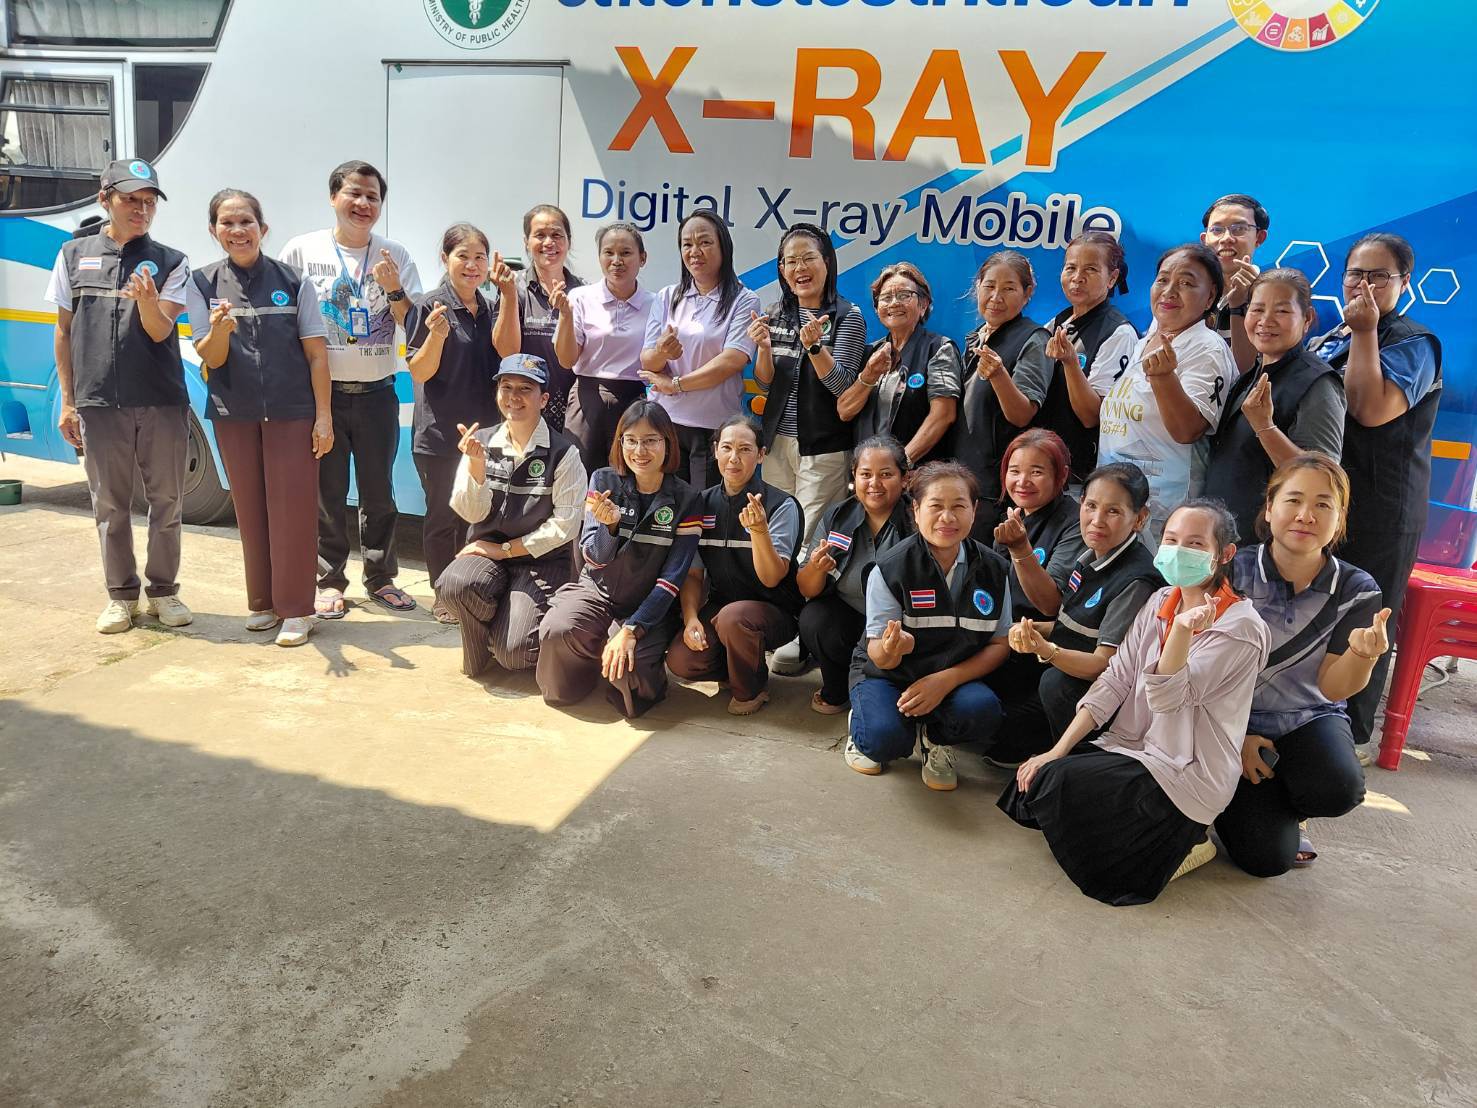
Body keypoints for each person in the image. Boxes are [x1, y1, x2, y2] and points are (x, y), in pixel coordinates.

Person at [999, 499, 1269, 906]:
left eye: (1195, 544)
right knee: (1033, 783)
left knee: (1064, 795)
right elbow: (1116, 678)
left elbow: (1168, 698)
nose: (1179, 551)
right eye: (1171, 540)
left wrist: (1182, 631)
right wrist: (1057, 749)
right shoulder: (1161, 599)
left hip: (1184, 768)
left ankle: (1189, 840)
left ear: (1225, 554)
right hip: (1135, 747)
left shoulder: (1241, 628)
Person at [1217, 455, 1385, 876]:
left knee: (1339, 788)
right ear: (1269, 507)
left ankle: (1287, 806)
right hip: (1227, 721)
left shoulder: (1357, 588)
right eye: (1293, 500)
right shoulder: (1231, 571)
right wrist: (1236, 736)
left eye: (1323, 504)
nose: (1306, 515)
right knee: (1266, 861)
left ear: (1339, 518)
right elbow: (1200, 670)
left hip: (1307, 719)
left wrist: (1362, 655)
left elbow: (1333, 688)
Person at [47, 158, 194, 634]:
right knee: (109, 505)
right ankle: (120, 596)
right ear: (104, 199)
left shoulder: (173, 261)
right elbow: (64, 330)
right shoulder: (73, 255)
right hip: (98, 400)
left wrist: (148, 301)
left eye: (149, 202)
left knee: (166, 501)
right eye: (131, 200)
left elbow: (159, 330)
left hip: (161, 399)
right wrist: (69, 400)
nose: (141, 210)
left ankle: (164, 592)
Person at [1308, 232, 1442, 751]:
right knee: (1318, 614)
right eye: (1354, 275)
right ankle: (1307, 719)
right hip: (1329, 502)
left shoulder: (1415, 343)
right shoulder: (1333, 334)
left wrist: (1365, 333)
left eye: (1378, 276)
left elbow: (1369, 408)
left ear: (1405, 282)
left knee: (1364, 619)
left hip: (1381, 509)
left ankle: (1350, 738)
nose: (1363, 285)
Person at [185, 188, 332, 647]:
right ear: (214, 231)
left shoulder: (294, 281)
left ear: (262, 228)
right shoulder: (201, 283)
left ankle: (298, 609)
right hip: (234, 413)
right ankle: (263, 603)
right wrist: (220, 331)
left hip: (292, 411)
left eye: (246, 221)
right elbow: (209, 356)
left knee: (293, 510)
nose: (238, 230)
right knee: (249, 508)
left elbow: (317, 354)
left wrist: (323, 417)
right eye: (227, 223)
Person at [280, 160, 423, 617]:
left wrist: (394, 288)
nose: (363, 203)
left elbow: (413, 324)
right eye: (354, 193)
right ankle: (328, 580)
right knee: (328, 493)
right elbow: (285, 323)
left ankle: (381, 578)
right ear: (333, 197)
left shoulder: (395, 255)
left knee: (379, 492)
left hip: (379, 392)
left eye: (372, 197)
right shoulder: (301, 251)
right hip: (323, 396)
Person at [844, 461, 1010, 792]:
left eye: (958, 506)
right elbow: (878, 654)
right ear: (916, 510)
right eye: (935, 506)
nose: (947, 518)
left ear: (974, 511)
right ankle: (862, 720)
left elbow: (999, 644)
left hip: (950, 675)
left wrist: (946, 680)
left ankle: (935, 738)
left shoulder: (994, 569)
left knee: (983, 711)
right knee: (883, 740)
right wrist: (892, 649)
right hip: (887, 676)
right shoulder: (890, 568)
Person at [536, 401, 703, 718]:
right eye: (631, 440)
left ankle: (633, 664)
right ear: (620, 442)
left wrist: (632, 629)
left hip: (648, 605)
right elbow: (593, 558)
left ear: (668, 443)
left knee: (630, 671)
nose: (640, 450)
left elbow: (673, 579)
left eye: (651, 440)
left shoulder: (688, 498)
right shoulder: (603, 481)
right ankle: (584, 669)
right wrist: (610, 527)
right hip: (597, 593)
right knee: (558, 630)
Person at [438, 354, 586, 678]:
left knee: (517, 653)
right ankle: (480, 649)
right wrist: (476, 466)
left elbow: (565, 526)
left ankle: (505, 630)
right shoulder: (480, 443)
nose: (513, 397)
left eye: (525, 389)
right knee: (453, 585)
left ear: (543, 399)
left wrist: (503, 550)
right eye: (506, 387)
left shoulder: (564, 453)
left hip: (540, 561)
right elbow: (470, 512)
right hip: (488, 556)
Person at [1004, 462, 1161, 739]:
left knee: (1055, 684)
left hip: (1112, 696)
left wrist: (1046, 649)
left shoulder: (1136, 581)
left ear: (1139, 518)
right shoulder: (1091, 553)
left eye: (1113, 511)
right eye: (1091, 506)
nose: (1097, 520)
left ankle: (1083, 755)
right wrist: (1031, 630)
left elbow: (1104, 666)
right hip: (1069, 662)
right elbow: (1078, 629)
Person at [666, 415, 805, 715]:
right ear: (715, 450)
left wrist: (759, 532)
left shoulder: (781, 505)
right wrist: (691, 618)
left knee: (734, 618)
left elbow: (772, 578)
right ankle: (737, 665)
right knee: (681, 661)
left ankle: (751, 688)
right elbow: (693, 574)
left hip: (774, 610)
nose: (734, 458)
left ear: (761, 455)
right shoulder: (701, 504)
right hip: (722, 608)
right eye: (727, 447)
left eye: (745, 449)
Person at [1097, 244, 1235, 539]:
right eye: (1162, 280)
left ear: (1210, 296)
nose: (1169, 292)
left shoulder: (1207, 348)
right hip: (1118, 505)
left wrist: (1164, 377)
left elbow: (1188, 430)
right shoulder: (1143, 342)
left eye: (1186, 283)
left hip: (1163, 516)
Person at [1204, 269, 1344, 542]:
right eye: (1257, 309)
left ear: (1307, 319)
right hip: (1225, 537)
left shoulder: (1317, 383)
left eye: (1282, 311)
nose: (1265, 321)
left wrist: (1265, 427)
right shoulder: (1253, 373)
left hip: (1267, 545)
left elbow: (1323, 478)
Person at [750, 223, 868, 546]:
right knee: (776, 532)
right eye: (791, 261)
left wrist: (815, 349)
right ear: (782, 270)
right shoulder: (775, 314)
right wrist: (763, 349)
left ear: (826, 262)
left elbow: (843, 386)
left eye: (808, 258)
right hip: (776, 443)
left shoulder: (847, 316)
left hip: (823, 448)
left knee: (806, 538)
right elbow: (764, 383)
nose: (800, 268)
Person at [405, 223, 500, 622]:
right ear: (445, 259)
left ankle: (468, 590)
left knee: (475, 516)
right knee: (443, 519)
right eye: (463, 256)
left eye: (480, 257)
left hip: (486, 436)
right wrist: (436, 337)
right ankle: (444, 595)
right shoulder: (430, 306)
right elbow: (419, 371)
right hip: (441, 435)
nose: (472, 265)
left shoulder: (492, 308)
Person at [981, 429, 1086, 764]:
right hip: (1004, 633)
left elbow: (1049, 604)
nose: (1022, 481)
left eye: (1036, 472)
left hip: (1044, 646)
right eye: (1014, 471)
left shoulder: (1074, 523)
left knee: (1009, 729)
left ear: (1061, 475)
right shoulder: (1015, 514)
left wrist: (1020, 550)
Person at [639, 210, 761, 489]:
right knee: (665, 503)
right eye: (687, 244)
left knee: (704, 505)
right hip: (665, 423)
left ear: (723, 247)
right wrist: (661, 352)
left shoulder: (744, 299)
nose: (694, 251)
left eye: (705, 242)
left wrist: (676, 384)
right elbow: (647, 361)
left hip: (713, 427)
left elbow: (732, 360)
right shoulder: (668, 296)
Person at [795, 436, 913, 714]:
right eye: (866, 474)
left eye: (886, 474)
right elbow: (806, 588)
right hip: (851, 617)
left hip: (901, 626)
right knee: (814, 619)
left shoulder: (917, 519)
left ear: (905, 479)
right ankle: (837, 688)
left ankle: (892, 690)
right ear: (854, 477)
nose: (874, 483)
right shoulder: (838, 515)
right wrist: (816, 568)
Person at [955, 251, 1054, 533]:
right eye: (989, 286)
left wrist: (999, 376)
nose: (996, 297)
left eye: (1009, 289)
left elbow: (1022, 414)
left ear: (1027, 293)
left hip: (995, 491)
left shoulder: (1034, 339)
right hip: (962, 481)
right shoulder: (975, 338)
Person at [837, 262, 961, 466]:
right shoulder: (870, 353)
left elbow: (943, 415)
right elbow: (845, 411)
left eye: (904, 295)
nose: (894, 303)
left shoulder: (939, 349)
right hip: (869, 473)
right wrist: (869, 375)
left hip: (917, 474)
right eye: (886, 297)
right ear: (877, 309)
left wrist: (902, 464)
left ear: (923, 305)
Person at [555, 222, 655, 475]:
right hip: (587, 397)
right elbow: (566, 360)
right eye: (608, 252)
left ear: (643, 258)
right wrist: (565, 317)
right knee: (577, 473)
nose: (616, 261)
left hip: (633, 399)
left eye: (626, 253)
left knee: (628, 475)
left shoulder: (656, 303)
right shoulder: (580, 298)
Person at [1041, 231, 1139, 483]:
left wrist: (1070, 362)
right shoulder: (1059, 321)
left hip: (1079, 475)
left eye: (1091, 269)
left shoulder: (1119, 332)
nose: (1077, 278)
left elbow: (1091, 416)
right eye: (1070, 268)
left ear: (1112, 278)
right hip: (1042, 465)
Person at [494, 204, 584, 433]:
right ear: (526, 241)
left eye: (556, 235)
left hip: (575, 414)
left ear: (568, 241)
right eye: (540, 235)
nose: (549, 242)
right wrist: (508, 294)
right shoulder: (514, 287)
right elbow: (507, 351)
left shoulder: (583, 292)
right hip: (523, 412)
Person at [1200, 192, 1269, 373]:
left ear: (1259, 237)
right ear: (1204, 239)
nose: (1226, 238)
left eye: (1239, 229)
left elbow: (1253, 372)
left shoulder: (1273, 297)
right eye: (1217, 230)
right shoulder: (1191, 293)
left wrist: (1241, 304)